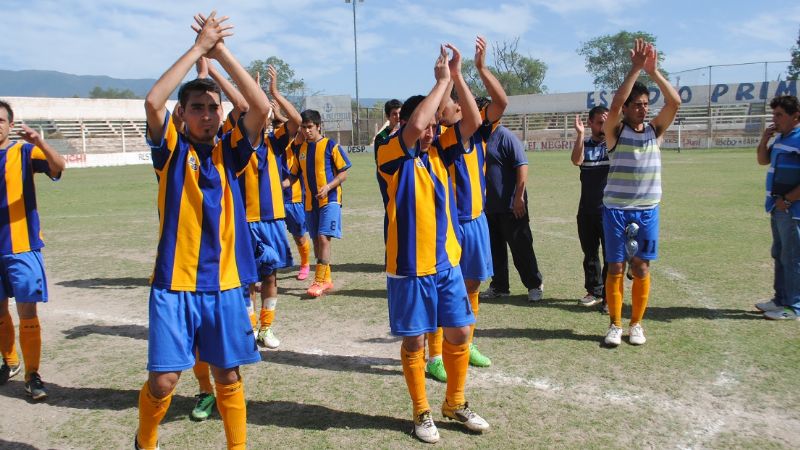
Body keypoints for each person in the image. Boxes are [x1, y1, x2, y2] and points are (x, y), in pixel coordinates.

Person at [135, 11, 270, 450]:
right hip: (174, 286)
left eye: (214, 108)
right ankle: (145, 442)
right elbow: (153, 102)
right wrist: (197, 49)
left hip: (225, 285)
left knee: (228, 374)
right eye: (198, 108)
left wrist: (220, 51)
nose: (209, 115)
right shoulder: (170, 151)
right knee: (163, 381)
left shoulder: (230, 151)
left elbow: (261, 108)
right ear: (183, 115)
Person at [376, 43, 489, 444]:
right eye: (422, 125)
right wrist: (439, 82)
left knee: (459, 333)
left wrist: (457, 78)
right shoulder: (390, 153)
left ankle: (454, 402)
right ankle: (421, 411)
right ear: (406, 125)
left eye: (431, 126)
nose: (429, 130)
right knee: (416, 341)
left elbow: (474, 121)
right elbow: (414, 124)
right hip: (409, 268)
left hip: (446, 264)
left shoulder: (441, 149)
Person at [424, 36, 508, 382]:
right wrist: (447, 79)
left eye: (460, 107)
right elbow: (447, 112)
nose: (459, 110)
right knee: (443, 291)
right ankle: (434, 355)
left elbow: (500, 102)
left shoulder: (479, 135)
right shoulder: (441, 141)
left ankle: (465, 341)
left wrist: (479, 69)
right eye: (453, 108)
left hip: (476, 221)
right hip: (450, 226)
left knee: (472, 285)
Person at [601, 38, 680, 346]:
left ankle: (636, 324)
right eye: (638, 104)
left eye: (647, 104)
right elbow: (615, 106)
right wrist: (635, 69)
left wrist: (654, 71)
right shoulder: (615, 132)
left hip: (647, 208)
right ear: (628, 109)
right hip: (616, 209)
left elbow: (674, 103)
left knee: (642, 266)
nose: (644, 109)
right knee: (617, 266)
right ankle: (615, 324)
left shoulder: (654, 132)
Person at [0, 100, 66, 401]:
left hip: (22, 246)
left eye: (1, 120)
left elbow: (58, 166)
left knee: (28, 310)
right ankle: (10, 361)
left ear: (10, 125)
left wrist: (40, 141)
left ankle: (32, 374)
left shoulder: (23, 152)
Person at [242, 64, 302, 350]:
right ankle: (249, 329)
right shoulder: (234, 144)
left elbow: (296, 119)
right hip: (244, 221)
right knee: (246, 281)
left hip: (273, 220)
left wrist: (274, 92)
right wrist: (248, 91)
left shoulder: (274, 143)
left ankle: (266, 328)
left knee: (270, 275)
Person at [289, 110, 351, 297]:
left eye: (310, 127)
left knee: (324, 238)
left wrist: (328, 187)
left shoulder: (331, 146)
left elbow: (343, 173)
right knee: (316, 241)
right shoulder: (300, 150)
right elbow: (292, 176)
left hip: (330, 200)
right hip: (309, 203)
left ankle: (318, 281)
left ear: (318, 126)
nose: (307, 131)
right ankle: (327, 279)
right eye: (304, 127)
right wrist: (274, 186)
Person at [480, 125, 543, 303]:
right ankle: (500, 286)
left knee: (521, 247)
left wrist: (519, 197)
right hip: (488, 206)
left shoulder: (505, 136)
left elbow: (521, 164)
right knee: (495, 250)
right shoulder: (479, 137)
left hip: (511, 205)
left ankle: (534, 285)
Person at [755, 95, 800, 320]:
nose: (775, 119)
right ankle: (780, 300)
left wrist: (789, 199)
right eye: (774, 114)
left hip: (793, 210)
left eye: (779, 115)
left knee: (792, 258)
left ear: (795, 116)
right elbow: (763, 160)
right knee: (780, 255)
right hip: (778, 207)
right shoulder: (782, 137)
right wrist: (764, 140)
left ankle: (794, 307)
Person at [571, 106, 609, 311]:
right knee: (590, 253)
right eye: (599, 122)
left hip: (609, 210)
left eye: (606, 121)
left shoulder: (613, 145)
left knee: (611, 255)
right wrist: (580, 135)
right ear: (591, 123)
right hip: (586, 210)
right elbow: (576, 160)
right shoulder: (584, 144)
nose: (603, 126)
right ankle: (594, 290)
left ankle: (610, 297)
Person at [276, 103, 312, 282]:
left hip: (294, 199)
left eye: (279, 125)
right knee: (273, 236)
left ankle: (305, 263)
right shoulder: (266, 144)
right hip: (272, 199)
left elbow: (297, 124)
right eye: (274, 124)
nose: (276, 128)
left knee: (298, 235)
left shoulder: (294, 144)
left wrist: (278, 113)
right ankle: (270, 271)